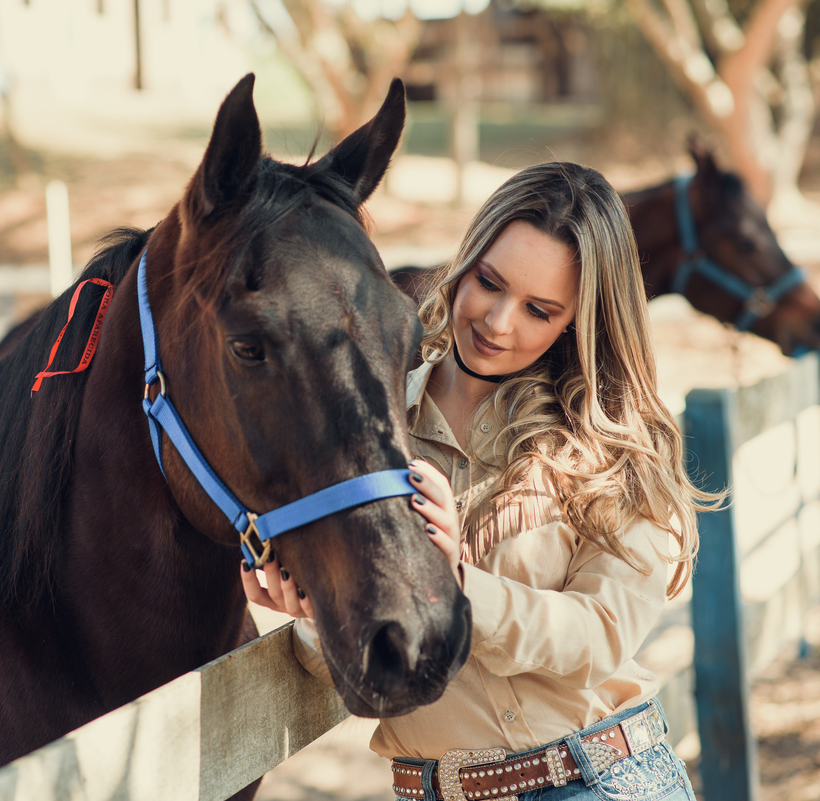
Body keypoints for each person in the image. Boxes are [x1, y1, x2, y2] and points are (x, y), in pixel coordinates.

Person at [241, 162, 719, 801]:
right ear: (464, 262)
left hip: (594, 783)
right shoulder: (371, 429)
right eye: (488, 283)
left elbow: (602, 634)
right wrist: (314, 612)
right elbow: (365, 663)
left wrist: (456, 583)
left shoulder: (609, 444)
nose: (497, 323)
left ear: (578, 320)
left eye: (538, 310)